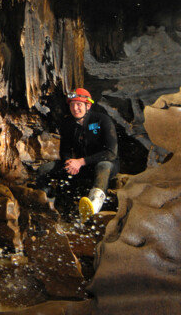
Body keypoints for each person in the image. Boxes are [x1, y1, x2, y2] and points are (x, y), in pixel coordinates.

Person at [36, 88, 119, 222]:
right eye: (72, 104)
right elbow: (65, 150)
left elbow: (111, 153)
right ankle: (49, 203)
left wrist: (81, 161)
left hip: (104, 165)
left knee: (103, 165)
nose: (75, 108)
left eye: (79, 104)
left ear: (88, 105)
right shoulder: (68, 124)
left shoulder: (102, 120)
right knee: (43, 170)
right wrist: (69, 162)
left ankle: (94, 205)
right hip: (80, 167)